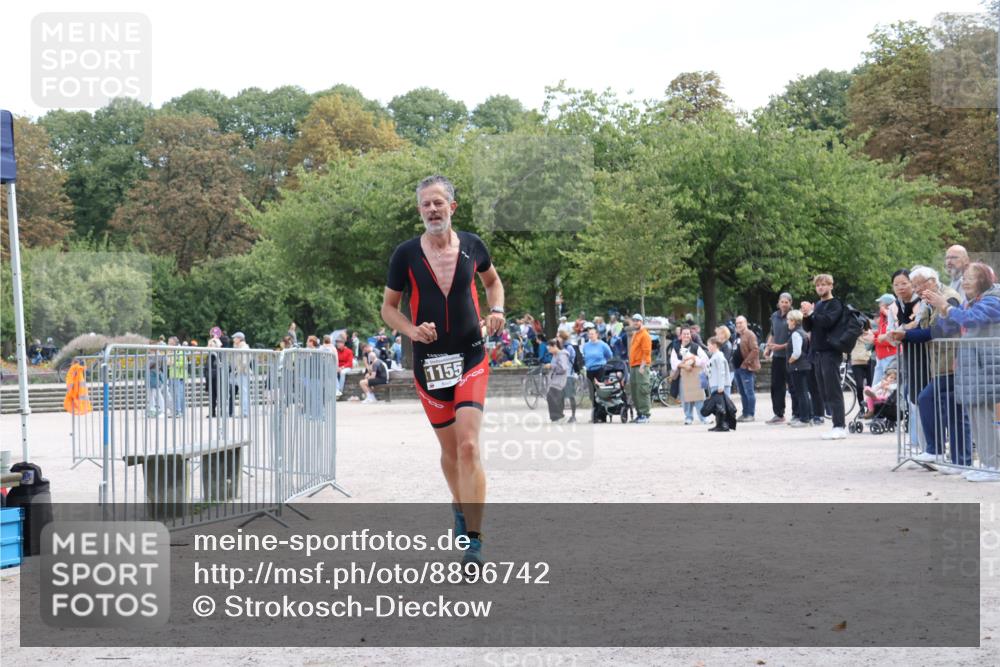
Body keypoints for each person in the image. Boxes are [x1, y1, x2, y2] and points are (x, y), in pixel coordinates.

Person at [380, 174, 505, 570]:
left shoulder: (472, 246)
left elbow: (493, 282)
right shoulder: (404, 255)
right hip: (430, 364)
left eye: (438, 203)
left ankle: (475, 540)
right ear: (419, 211)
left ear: (452, 207)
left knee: (469, 446)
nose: (432, 210)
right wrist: (411, 330)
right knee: (450, 452)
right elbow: (388, 309)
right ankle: (458, 505)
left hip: (470, 355)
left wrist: (497, 310)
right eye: (425, 205)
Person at [922, 261, 1000, 481]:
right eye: (964, 278)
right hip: (973, 365)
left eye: (970, 278)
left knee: (984, 417)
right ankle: (985, 464)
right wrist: (939, 309)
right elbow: (951, 328)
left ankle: (993, 466)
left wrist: (946, 306)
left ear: (984, 280)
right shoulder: (972, 302)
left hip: (985, 366)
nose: (965, 282)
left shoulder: (993, 300)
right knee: (976, 416)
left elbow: (972, 321)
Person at [889, 266, 966, 467]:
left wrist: (906, 336)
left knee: (929, 399)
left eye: (917, 285)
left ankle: (939, 451)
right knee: (942, 407)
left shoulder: (949, 298)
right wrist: (904, 331)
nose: (915, 290)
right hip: (940, 363)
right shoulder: (929, 301)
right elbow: (923, 326)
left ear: (931, 282)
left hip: (951, 362)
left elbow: (939, 331)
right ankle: (946, 456)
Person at [801, 274, 847, 440]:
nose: (820, 287)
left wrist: (812, 312)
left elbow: (827, 322)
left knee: (833, 389)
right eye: (818, 285)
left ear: (831, 286)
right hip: (817, 352)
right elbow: (810, 327)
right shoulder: (818, 304)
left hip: (830, 352)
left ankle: (840, 425)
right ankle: (835, 424)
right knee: (824, 390)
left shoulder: (835, 304)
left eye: (823, 285)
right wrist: (806, 315)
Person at [670, 327, 709, 425]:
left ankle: (703, 418)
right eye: (684, 334)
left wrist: (693, 361)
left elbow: (705, 359)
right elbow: (673, 362)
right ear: (680, 335)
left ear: (690, 335)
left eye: (688, 334)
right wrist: (684, 365)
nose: (686, 336)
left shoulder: (695, 346)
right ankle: (688, 417)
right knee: (685, 397)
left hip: (696, 375)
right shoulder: (676, 347)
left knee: (699, 397)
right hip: (683, 375)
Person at [764, 293, 793, 424]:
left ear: (790, 303)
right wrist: (768, 347)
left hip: (791, 357)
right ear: (779, 303)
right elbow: (773, 333)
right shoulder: (774, 316)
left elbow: (796, 338)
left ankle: (798, 414)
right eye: (782, 301)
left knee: (794, 386)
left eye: (787, 302)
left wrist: (780, 346)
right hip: (777, 357)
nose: (784, 304)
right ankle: (779, 414)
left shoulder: (794, 316)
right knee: (776, 386)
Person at [785, 309, 813, 427]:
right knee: (805, 393)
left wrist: (790, 360)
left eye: (788, 320)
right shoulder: (803, 332)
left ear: (794, 321)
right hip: (805, 366)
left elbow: (797, 352)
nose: (787, 323)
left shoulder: (796, 334)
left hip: (798, 367)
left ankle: (804, 419)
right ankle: (808, 417)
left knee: (801, 393)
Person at [733, 316, 760, 422]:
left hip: (746, 368)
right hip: (737, 368)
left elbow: (755, 350)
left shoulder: (750, 334)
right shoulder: (737, 334)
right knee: (742, 392)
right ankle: (745, 413)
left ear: (746, 323)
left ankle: (750, 414)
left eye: (741, 322)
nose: (738, 325)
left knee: (749, 392)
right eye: (737, 323)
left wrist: (745, 363)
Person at [583, 325, 613, 420]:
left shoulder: (602, 344)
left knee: (600, 392)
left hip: (600, 369)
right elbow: (585, 357)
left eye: (592, 334)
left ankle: (602, 415)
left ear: (597, 335)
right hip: (589, 370)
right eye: (589, 334)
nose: (591, 336)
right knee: (592, 393)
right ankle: (595, 415)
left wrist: (603, 363)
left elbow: (610, 355)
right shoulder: (586, 346)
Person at [628, 313, 653, 424]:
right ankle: (639, 414)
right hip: (633, 366)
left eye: (637, 321)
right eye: (634, 320)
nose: (635, 322)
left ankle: (645, 415)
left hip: (641, 366)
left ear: (641, 322)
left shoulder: (645, 335)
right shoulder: (635, 334)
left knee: (642, 390)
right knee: (635, 391)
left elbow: (646, 352)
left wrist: (643, 366)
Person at [705, 336, 733, 432]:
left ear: (714, 345)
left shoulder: (719, 356)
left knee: (722, 406)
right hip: (714, 384)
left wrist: (721, 386)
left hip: (719, 385)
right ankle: (719, 424)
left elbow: (722, 372)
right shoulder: (714, 356)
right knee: (717, 406)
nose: (707, 347)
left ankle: (724, 424)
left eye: (709, 345)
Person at [871, 294, 898, 389]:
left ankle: (881, 403)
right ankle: (872, 403)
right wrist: (872, 334)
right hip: (881, 357)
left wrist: (873, 340)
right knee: (875, 386)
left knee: (887, 386)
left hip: (889, 356)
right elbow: (881, 334)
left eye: (881, 303)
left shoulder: (892, 319)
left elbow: (891, 340)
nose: (879, 306)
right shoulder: (883, 319)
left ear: (887, 305)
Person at [545, 338, 571, 422]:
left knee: (552, 398)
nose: (548, 349)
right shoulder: (555, 355)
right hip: (554, 380)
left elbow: (563, 368)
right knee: (552, 398)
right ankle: (555, 417)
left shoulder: (562, 354)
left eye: (550, 347)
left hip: (559, 381)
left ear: (555, 346)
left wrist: (551, 366)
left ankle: (559, 416)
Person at [556, 330, 579, 423]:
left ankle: (573, 416)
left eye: (558, 336)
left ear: (562, 337)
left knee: (571, 396)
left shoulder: (569, 348)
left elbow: (569, 359)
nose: (557, 338)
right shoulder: (558, 347)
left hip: (569, 375)